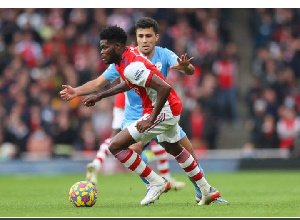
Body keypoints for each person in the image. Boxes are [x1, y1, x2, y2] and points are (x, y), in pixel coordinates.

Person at [60, 17, 228, 204]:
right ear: (135, 39)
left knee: (116, 146)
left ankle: (157, 183)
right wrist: (92, 94)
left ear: (156, 37)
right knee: (171, 149)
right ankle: (205, 191)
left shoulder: (146, 60)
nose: (101, 52)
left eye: (104, 48)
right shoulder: (124, 59)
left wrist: (151, 119)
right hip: (149, 111)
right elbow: (123, 82)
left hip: (161, 110)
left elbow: (164, 87)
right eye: (141, 36)